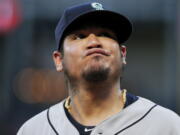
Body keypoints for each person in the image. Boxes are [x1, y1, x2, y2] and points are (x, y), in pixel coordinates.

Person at [17, 2, 180, 135]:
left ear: (123, 54)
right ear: (59, 60)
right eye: (80, 36)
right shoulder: (33, 130)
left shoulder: (165, 125)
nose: (94, 41)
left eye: (105, 34)